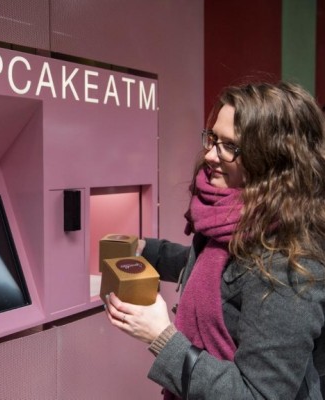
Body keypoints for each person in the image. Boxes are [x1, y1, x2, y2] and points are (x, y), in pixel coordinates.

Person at [104, 81, 325, 399]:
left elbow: (258, 395)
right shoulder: (229, 218)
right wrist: (147, 251)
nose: (209, 155)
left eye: (230, 147)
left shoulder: (291, 264)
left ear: (273, 159)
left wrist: (162, 337)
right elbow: (219, 275)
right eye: (212, 139)